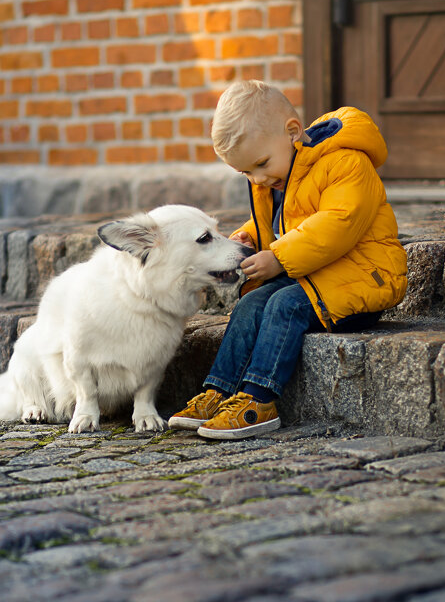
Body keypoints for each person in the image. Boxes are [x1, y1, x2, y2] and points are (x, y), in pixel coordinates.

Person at [168, 80, 407, 440]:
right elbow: (284, 223)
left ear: (293, 132)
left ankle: (259, 400)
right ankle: (220, 390)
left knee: (283, 304)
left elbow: (335, 225)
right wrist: (250, 237)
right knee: (251, 303)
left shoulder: (346, 163)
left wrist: (278, 258)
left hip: (363, 277)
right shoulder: (278, 174)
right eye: (246, 173)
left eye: (261, 164)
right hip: (314, 275)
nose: (258, 178)